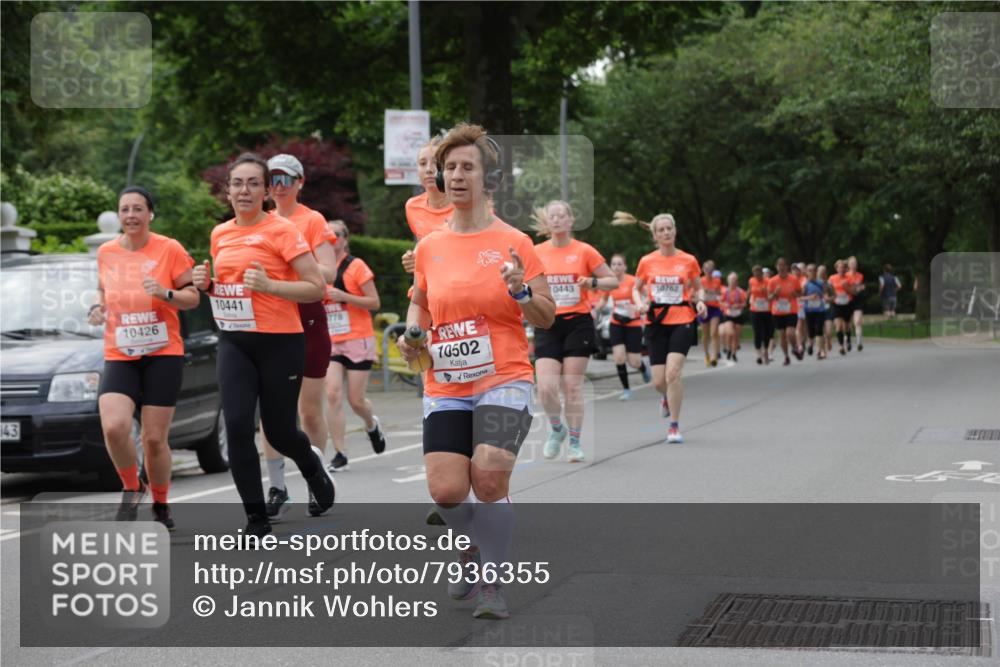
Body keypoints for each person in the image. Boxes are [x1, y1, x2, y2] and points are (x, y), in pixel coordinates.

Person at [397, 123, 555, 619]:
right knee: (446, 492)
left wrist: (520, 291)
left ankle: (491, 584)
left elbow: (547, 315)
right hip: (446, 382)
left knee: (488, 481)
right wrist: (412, 336)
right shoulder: (430, 246)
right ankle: (468, 544)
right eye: (450, 168)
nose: (458, 175)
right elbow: (421, 304)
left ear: (489, 179)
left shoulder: (515, 242)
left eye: (468, 167)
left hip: (504, 377)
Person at [192, 153, 334, 537]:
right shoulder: (220, 234)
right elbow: (229, 289)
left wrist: (271, 286)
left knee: (280, 432)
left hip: (280, 342)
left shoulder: (282, 230)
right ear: (227, 191)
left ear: (266, 191)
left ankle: (312, 468)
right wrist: (208, 285)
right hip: (234, 342)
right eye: (237, 183)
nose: (244, 190)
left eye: (253, 183)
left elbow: (316, 287)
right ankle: (256, 519)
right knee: (238, 425)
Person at [90, 187, 199, 529]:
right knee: (114, 427)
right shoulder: (107, 252)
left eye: (138, 209)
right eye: (125, 209)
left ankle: (161, 503)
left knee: (153, 439)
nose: (131, 215)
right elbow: (103, 290)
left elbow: (193, 297)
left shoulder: (169, 249)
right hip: (120, 352)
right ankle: (132, 486)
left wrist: (166, 293)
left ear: (150, 214)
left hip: (162, 353)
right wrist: (97, 307)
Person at [261, 154, 339, 520]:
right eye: (273, 180)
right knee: (271, 412)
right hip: (270, 319)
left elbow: (329, 273)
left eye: (286, 180)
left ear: (300, 182)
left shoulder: (312, 220)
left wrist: (292, 268)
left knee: (308, 410)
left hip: (307, 318)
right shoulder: (259, 221)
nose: (279, 187)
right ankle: (277, 486)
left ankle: (314, 481)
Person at [533, 200, 617, 463]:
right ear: (547, 222)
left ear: (570, 221)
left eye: (562, 215)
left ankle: (575, 442)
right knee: (545, 387)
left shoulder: (584, 251)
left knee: (572, 386)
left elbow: (612, 281)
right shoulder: (536, 252)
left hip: (578, 322)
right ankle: (557, 429)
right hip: (547, 322)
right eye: (552, 216)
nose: (557, 219)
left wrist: (591, 281)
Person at [619, 211, 706, 444]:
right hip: (656, 321)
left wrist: (700, 301)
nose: (666, 232)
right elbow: (636, 288)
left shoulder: (689, 260)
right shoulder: (647, 261)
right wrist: (639, 303)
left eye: (669, 228)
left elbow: (698, 286)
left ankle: (674, 426)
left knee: (673, 373)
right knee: (659, 381)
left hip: (682, 319)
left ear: (675, 231)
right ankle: (666, 397)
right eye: (661, 230)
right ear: (655, 235)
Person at [323, 219, 386, 472]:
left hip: (357, 338)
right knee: (332, 394)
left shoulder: (356, 266)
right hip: (331, 340)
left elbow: (374, 302)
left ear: (345, 239)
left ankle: (371, 424)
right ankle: (340, 453)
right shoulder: (318, 267)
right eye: (327, 236)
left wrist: (344, 297)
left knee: (356, 400)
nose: (332, 239)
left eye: (336, 235)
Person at [601, 253, 651, 400]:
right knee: (619, 357)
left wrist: (640, 305)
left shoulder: (633, 281)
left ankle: (643, 368)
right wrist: (594, 310)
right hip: (616, 323)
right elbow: (603, 300)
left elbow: (649, 295)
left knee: (634, 361)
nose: (616, 267)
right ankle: (626, 390)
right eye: (613, 264)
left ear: (625, 267)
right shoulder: (609, 283)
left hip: (633, 324)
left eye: (619, 264)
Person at [401, 137, 453, 275]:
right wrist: (413, 257)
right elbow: (423, 241)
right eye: (423, 163)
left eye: (436, 163)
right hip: (428, 284)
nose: (429, 169)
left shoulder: (467, 206)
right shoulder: (412, 207)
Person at [768, 257, 803, 366]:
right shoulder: (772, 281)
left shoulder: (793, 279)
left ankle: (795, 348)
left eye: (783, 265)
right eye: (779, 265)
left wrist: (795, 294)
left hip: (791, 310)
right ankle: (786, 356)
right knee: (782, 336)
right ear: (776, 267)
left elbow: (800, 293)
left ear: (787, 267)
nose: (781, 267)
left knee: (790, 332)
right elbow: (769, 298)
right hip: (778, 312)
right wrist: (775, 293)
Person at [698, 261, 723, 367]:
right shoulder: (701, 281)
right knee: (705, 334)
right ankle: (707, 355)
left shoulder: (717, 281)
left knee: (714, 333)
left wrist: (714, 292)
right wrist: (704, 293)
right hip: (704, 308)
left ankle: (714, 356)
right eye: (707, 269)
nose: (709, 271)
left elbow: (719, 293)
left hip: (715, 308)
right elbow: (697, 294)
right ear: (703, 270)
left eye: (711, 269)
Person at [801, 264, 827, 360]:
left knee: (819, 330)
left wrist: (825, 297)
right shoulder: (805, 284)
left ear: (816, 272)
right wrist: (810, 297)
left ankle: (819, 351)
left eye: (814, 270)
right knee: (811, 330)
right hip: (809, 310)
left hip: (820, 310)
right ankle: (811, 344)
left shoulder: (821, 283)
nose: (812, 272)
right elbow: (800, 297)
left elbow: (825, 294)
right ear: (807, 272)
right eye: (810, 270)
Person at [747, 265, 772, 365]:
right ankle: (758, 354)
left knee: (766, 332)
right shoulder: (751, 281)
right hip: (755, 310)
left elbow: (772, 295)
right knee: (757, 332)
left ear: (762, 273)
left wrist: (765, 292)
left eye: (759, 274)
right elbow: (750, 291)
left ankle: (765, 351)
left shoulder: (768, 281)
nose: (757, 276)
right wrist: (747, 296)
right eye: (755, 274)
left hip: (766, 310)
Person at [828, 259, 853, 355]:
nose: (841, 269)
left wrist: (847, 288)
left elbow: (853, 291)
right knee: (838, 326)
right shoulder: (832, 278)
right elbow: (827, 290)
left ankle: (848, 340)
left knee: (846, 325)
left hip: (847, 303)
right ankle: (841, 346)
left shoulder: (849, 277)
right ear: (836, 269)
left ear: (845, 269)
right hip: (836, 304)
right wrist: (830, 296)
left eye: (843, 268)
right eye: (840, 268)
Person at [720, 272, 746, 362]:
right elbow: (720, 302)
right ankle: (729, 348)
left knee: (736, 336)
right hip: (728, 315)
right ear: (728, 281)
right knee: (730, 333)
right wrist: (725, 305)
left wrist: (738, 305)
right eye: (731, 280)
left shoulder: (741, 292)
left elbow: (744, 303)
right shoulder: (724, 291)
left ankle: (734, 353)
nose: (733, 281)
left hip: (738, 315)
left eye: (734, 280)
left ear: (737, 281)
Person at [846, 255, 865, 351]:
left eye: (855, 263)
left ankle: (859, 342)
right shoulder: (845, 276)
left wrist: (861, 288)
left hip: (858, 300)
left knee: (857, 321)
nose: (854, 265)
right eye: (852, 263)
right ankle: (848, 340)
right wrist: (853, 288)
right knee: (848, 323)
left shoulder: (860, 275)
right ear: (848, 265)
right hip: (847, 300)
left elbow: (861, 287)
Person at [817, 264, 835, 355]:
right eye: (820, 272)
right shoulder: (814, 284)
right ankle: (823, 351)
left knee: (828, 332)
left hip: (828, 310)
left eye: (823, 272)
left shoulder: (829, 284)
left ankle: (829, 339)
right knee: (821, 332)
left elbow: (834, 296)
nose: (822, 274)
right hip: (818, 311)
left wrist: (829, 299)